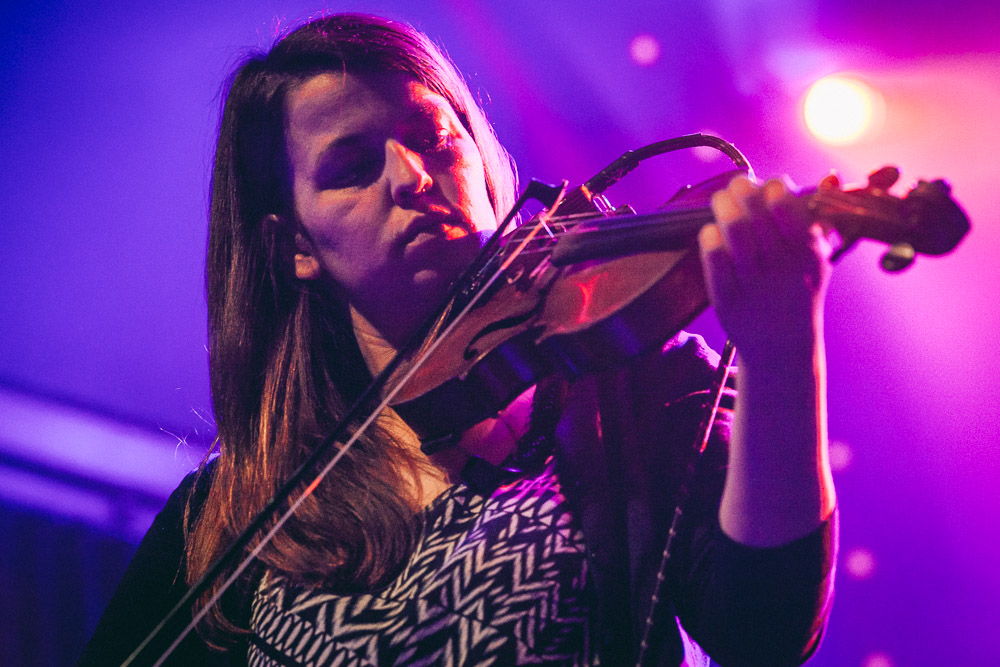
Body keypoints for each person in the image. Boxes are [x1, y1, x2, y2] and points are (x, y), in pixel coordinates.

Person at [80, 13, 837, 667]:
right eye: (351, 167)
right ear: (292, 248)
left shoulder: (637, 390)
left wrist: (781, 355)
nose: (412, 175)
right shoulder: (239, 507)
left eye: (433, 139)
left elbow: (764, 632)